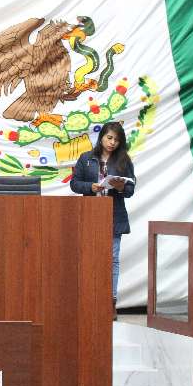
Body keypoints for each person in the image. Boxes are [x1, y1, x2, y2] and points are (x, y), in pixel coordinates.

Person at [70, 122, 135, 320]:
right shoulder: (86, 158)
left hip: (114, 215)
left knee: (112, 259)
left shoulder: (124, 161)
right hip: (90, 215)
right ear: (101, 137)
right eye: (109, 138)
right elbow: (74, 184)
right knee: (88, 259)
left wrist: (120, 186)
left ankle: (110, 302)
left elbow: (131, 190)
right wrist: (91, 187)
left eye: (116, 140)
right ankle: (88, 301)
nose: (112, 143)